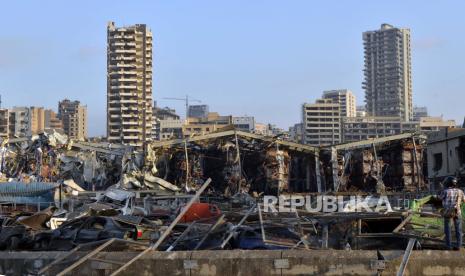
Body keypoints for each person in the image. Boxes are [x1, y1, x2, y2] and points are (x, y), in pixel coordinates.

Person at [440, 176, 465, 250]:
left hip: (448, 212)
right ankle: (459, 246)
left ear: (447, 183)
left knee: (448, 229)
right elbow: (464, 200)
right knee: (458, 230)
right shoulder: (460, 191)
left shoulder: (445, 191)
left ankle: (449, 246)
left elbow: (439, 198)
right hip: (457, 212)